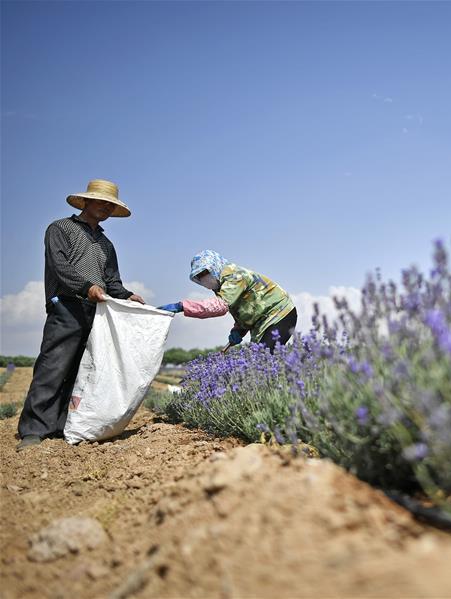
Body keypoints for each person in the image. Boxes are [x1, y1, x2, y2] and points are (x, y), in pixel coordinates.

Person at [16, 179, 145, 451]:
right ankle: (34, 430)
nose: (106, 207)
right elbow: (59, 266)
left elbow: (112, 281)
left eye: (111, 204)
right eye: (101, 201)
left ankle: (62, 426)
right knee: (53, 367)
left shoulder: (106, 244)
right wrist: (87, 287)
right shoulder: (61, 228)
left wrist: (126, 295)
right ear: (85, 201)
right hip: (66, 306)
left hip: (95, 311)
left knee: (79, 371)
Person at [157, 250, 297, 352]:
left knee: (263, 358)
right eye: (199, 276)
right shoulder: (221, 285)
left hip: (280, 315)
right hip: (262, 322)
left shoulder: (234, 276)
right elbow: (245, 310)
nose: (203, 278)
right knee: (258, 360)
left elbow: (220, 306)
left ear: (214, 267)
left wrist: (182, 306)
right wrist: (239, 330)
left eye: (205, 273)